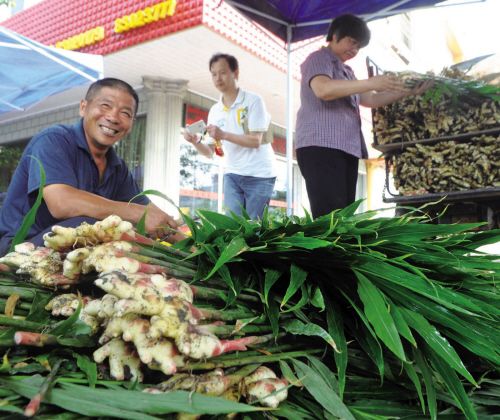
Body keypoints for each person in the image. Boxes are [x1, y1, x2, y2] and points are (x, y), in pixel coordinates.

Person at [0, 78, 181, 256]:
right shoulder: (54, 140)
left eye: (125, 113)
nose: (113, 117)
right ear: (83, 107)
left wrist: (196, 247)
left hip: (72, 252)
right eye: (105, 106)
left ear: (132, 123)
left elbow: (150, 213)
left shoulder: (117, 168)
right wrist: (136, 213)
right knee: (88, 226)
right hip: (20, 249)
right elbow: (61, 203)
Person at [295, 14, 430, 218]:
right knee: (329, 217)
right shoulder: (319, 58)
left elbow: (371, 99)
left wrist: (408, 91)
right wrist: (371, 82)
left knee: (343, 215)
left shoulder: (347, 71)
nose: (354, 50)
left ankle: (339, 251)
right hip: (321, 146)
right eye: (352, 42)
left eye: (359, 46)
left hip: (345, 148)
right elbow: (323, 89)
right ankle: (326, 251)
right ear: (335, 35)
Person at [183, 53, 276, 219]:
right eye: (214, 74)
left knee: (254, 229)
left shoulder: (254, 101)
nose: (218, 78)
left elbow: (256, 141)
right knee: (233, 226)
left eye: (223, 72)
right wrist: (196, 141)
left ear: (236, 73)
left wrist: (223, 134)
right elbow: (211, 152)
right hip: (232, 174)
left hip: (260, 175)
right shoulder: (214, 111)